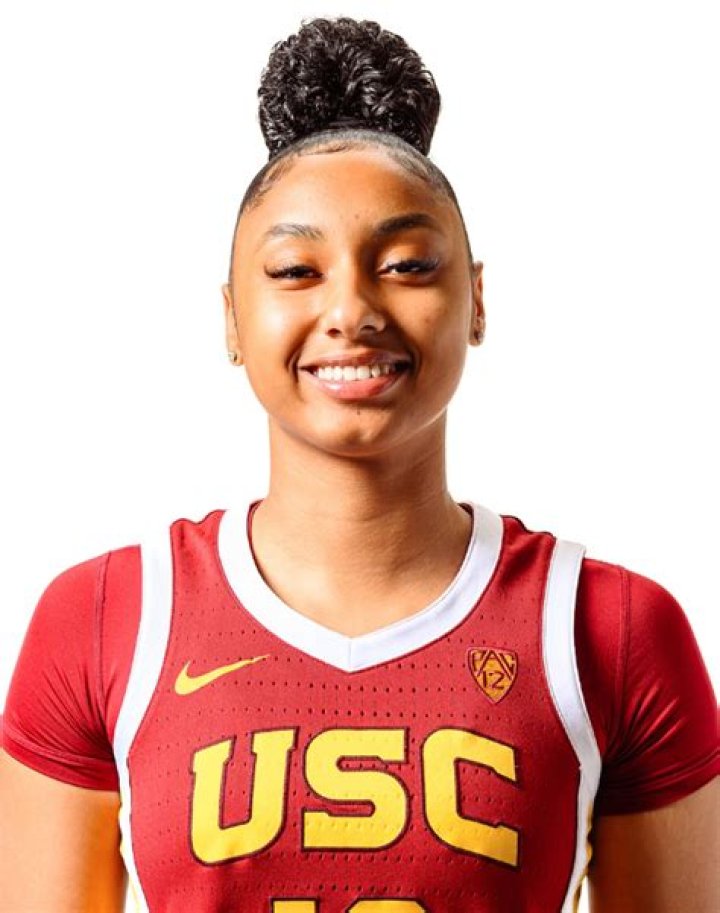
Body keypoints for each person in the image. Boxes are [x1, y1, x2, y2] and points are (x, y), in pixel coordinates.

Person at [0, 14, 717, 913]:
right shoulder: (109, 619)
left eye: (407, 264)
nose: (352, 310)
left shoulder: (608, 630)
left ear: (476, 300)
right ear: (231, 317)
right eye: (295, 271)